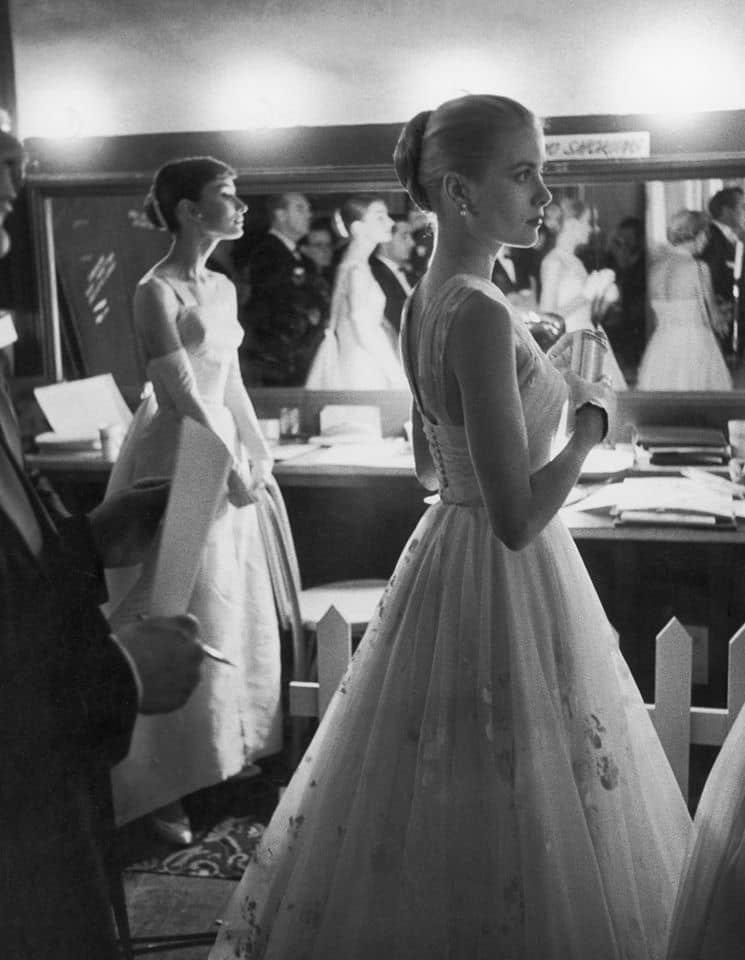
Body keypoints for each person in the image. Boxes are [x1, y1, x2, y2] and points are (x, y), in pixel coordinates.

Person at [209, 95, 691, 960]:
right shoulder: (477, 313)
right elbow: (514, 520)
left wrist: (522, 358)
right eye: (523, 173)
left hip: (442, 554)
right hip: (508, 568)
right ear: (461, 194)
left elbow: (433, 472)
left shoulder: (432, 301)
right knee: (525, 789)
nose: (544, 193)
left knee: (445, 783)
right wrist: (586, 420)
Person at [0, 130, 206, 960]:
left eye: (10, 200)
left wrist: (87, 542)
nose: (8, 234)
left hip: (50, 808)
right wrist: (118, 676)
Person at [104, 156, 283, 845]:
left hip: (222, 446)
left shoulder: (220, 286)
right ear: (185, 209)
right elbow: (181, 391)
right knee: (172, 600)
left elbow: (227, 379)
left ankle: (215, 759)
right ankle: (150, 787)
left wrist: (257, 448)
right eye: (225, 197)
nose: (239, 207)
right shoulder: (156, 291)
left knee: (223, 603)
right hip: (176, 454)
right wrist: (223, 462)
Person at [305, 195, 408, 390]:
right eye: (380, 217)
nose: (390, 222)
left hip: (361, 360)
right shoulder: (356, 269)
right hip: (362, 367)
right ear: (358, 228)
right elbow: (364, 328)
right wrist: (395, 374)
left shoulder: (352, 265)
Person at [637, 209, 731, 391]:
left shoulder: (655, 268)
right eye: (706, 234)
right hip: (694, 345)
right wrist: (726, 312)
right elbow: (715, 319)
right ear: (700, 234)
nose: (706, 240)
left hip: (662, 345)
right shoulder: (698, 267)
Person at [239, 192, 328, 385]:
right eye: (300, 208)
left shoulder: (301, 258)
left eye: (309, 209)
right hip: (277, 357)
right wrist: (305, 313)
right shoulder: (266, 253)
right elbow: (271, 303)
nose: (308, 214)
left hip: (300, 354)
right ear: (280, 215)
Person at [539, 197, 628, 389]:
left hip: (589, 337)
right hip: (571, 345)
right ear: (571, 223)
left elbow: (588, 313)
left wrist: (603, 297)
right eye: (588, 222)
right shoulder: (554, 262)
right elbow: (547, 320)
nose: (593, 229)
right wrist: (585, 296)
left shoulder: (575, 261)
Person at [601, 215, 648, 382]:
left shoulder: (645, 260)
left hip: (637, 316)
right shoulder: (613, 257)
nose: (624, 241)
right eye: (622, 237)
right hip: (620, 315)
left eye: (629, 238)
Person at [370, 213, 415, 344]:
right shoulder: (375, 275)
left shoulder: (410, 274)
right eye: (404, 236)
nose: (412, 243)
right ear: (385, 240)